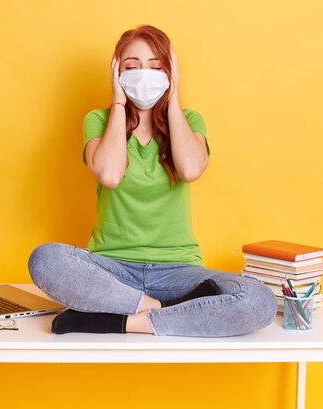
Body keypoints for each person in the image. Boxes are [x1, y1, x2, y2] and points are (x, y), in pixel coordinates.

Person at [28, 24, 276, 337]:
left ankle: (118, 321)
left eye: (156, 67)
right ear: (117, 71)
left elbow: (190, 169)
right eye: (132, 66)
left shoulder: (190, 120)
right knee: (45, 259)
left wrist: (173, 100)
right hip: (112, 269)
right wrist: (118, 103)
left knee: (258, 300)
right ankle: (159, 309)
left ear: (170, 73)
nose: (143, 75)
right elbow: (110, 174)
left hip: (179, 270)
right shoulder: (99, 120)